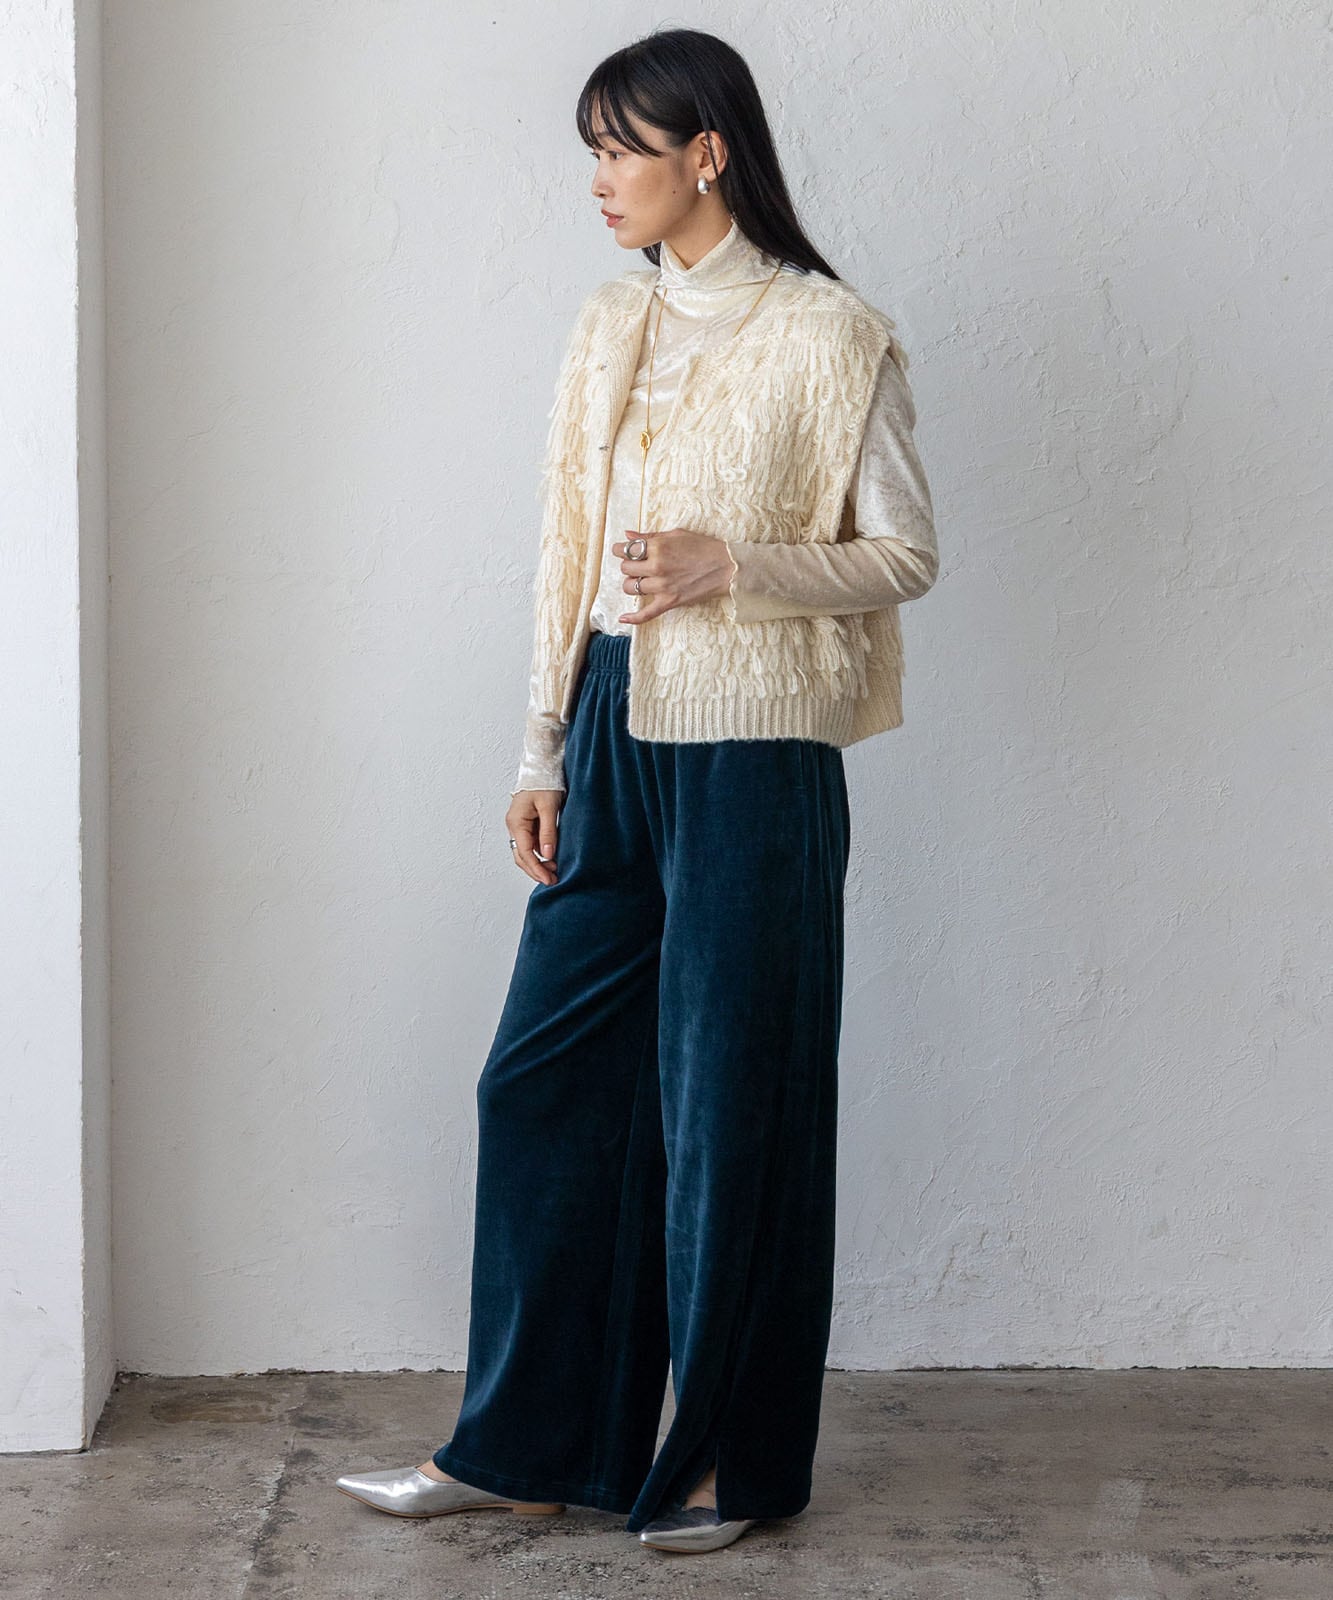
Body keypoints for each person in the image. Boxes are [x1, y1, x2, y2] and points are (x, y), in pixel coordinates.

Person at [335, 26, 938, 1556]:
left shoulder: (833, 336)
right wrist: (540, 747)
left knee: (734, 1106)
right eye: (592, 153)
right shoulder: (610, 323)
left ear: (706, 155)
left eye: (623, 151)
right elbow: (562, 544)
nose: (599, 180)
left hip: (755, 754)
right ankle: (529, 1447)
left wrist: (736, 566)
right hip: (611, 729)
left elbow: (903, 554)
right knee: (540, 1081)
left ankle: (735, 1466)